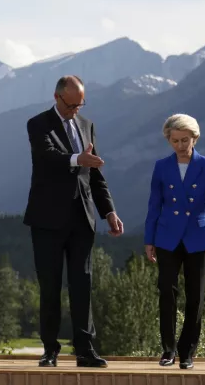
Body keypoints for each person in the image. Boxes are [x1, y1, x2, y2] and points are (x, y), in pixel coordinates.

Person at [23, 75, 123, 368]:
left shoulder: (86, 125)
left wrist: (109, 211)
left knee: (83, 284)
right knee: (50, 286)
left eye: (81, 105)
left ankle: (85, 350)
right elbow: (47, 158)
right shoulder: (37, 124)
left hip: (82, 218)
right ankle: (50, 350)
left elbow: (94, 173)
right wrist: (77, 159)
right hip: (47, 220)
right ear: (57, 98)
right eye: (72, 105)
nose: (76, 110)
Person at [144, 114, 205, 370]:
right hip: (167, 237)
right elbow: (154, 205)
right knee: (166, 294)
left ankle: (187, 353)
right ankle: (168, 351)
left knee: (195, 298)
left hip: (199, 238)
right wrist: (149, 240)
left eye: (185, 140)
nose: (180, 145)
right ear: (169, 141)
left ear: (195, 138)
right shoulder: (161, 167)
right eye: (175, 141)